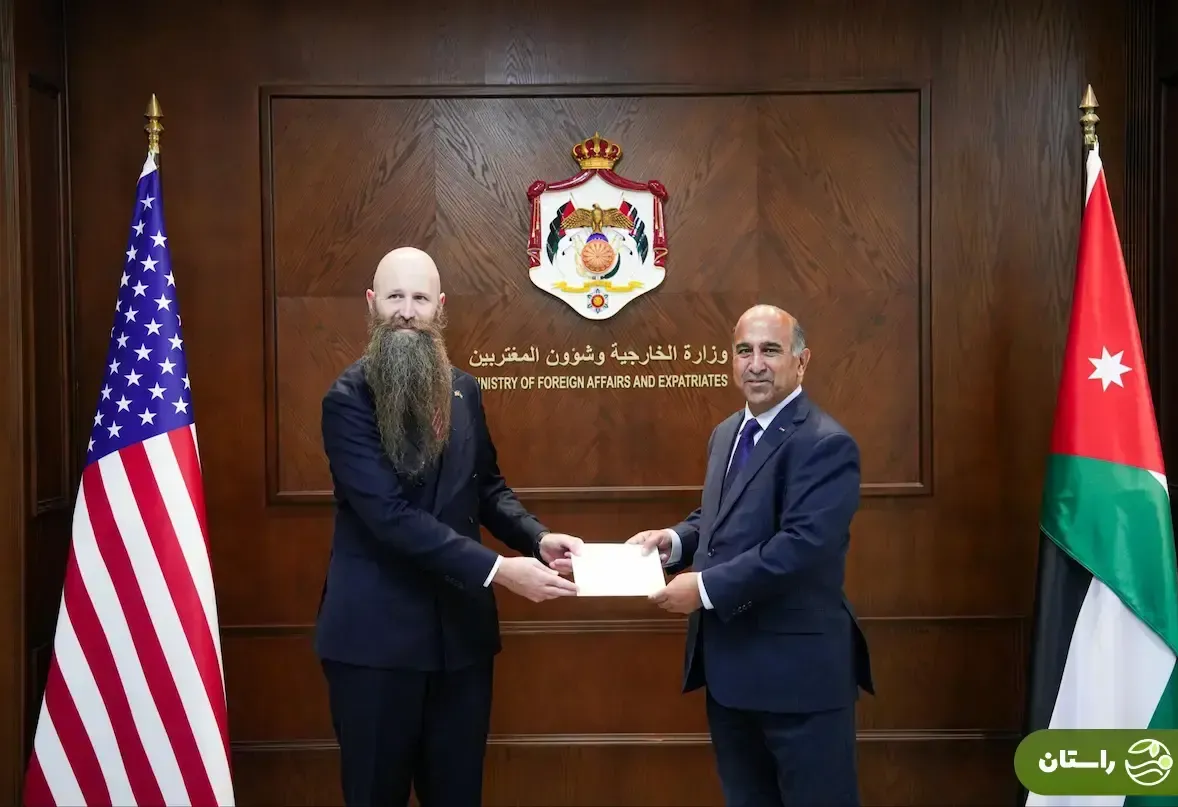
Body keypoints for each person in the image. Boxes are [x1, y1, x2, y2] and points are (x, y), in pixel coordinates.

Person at [315, 246, 583, 807]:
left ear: (440, 308)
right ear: (372, 304)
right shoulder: (347, 400)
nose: (407, 311)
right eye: (395, 297)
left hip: (460, 645)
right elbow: (390, 517)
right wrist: (499, 570)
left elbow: (487, 488)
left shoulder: (464, 390)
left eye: (419, 298)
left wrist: (536, 538)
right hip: (376, 647)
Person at [627, 304, 874, 807]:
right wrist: (674, 540)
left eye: (770, 350)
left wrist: (703, 588)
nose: (755, 364)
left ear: (801, 362)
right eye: (744, 351)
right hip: (731, 677)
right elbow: (719, 518)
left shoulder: (826, 443)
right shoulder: (727, 433)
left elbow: (801, 546)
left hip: (799, 682)